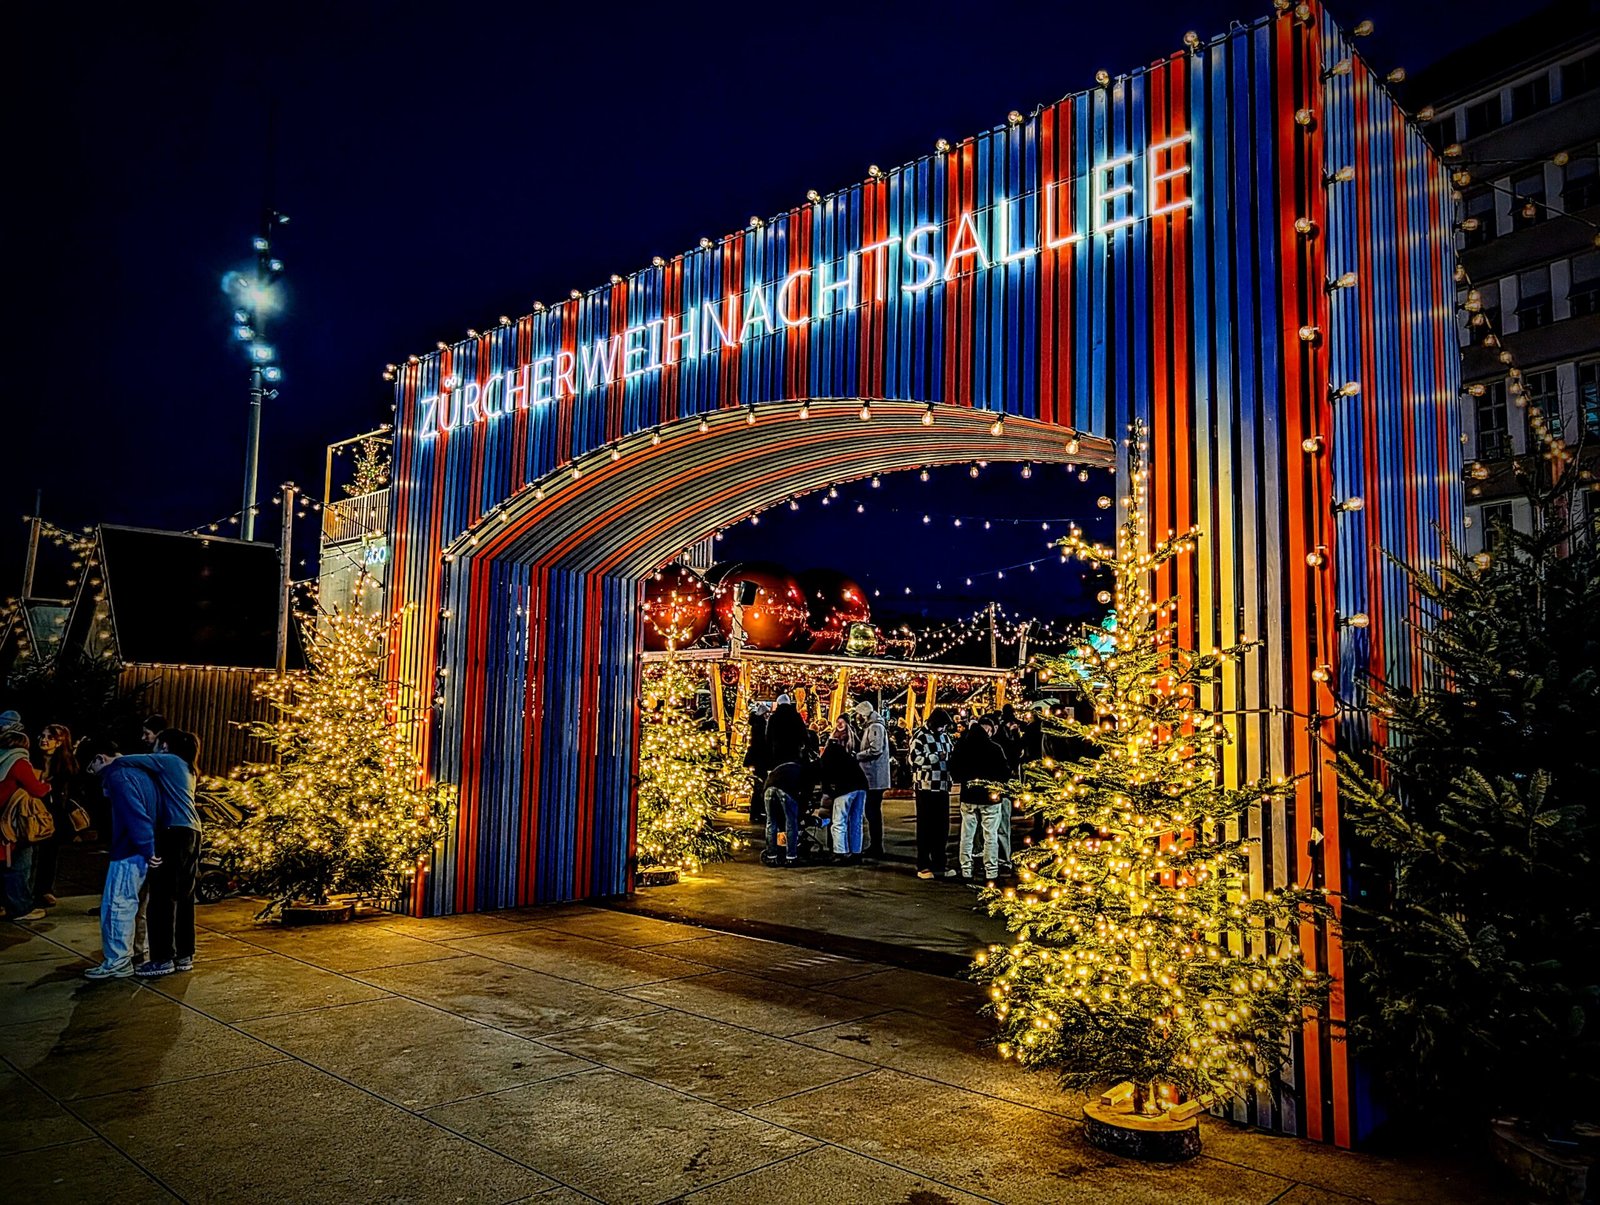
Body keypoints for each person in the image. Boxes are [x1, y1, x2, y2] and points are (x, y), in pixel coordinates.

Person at [118, 729, 201, 977]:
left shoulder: (169, 760)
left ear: (164, 745)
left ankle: (162, 957)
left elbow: (126, 760)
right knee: (184, 897)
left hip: (173, 832)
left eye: (155, 742)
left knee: (162, 898)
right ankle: (184, 954)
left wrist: (110, 759)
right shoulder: (188, 767)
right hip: (192, 832)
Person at [80, 740, 159, 979]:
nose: (94, 775)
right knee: (137, 906)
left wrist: (147, 848)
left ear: (99, 758)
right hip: (143, 848)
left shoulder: (118, 776)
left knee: (117, 905)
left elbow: (134, 815)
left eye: (91, 768)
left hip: (129, 850)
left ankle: (117, 961)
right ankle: (136, 952)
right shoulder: (139, 771)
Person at [948, 713, 1010, 887]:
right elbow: (1005, 773)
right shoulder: (995, 748)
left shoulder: (962, 746)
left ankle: (966, 870)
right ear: (988, 730)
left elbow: (954, 770)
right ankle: (991, 872)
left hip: (968, 796)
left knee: (967, 834)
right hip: (990, 798)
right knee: (990, 835)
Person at [0, 712, 52, 921]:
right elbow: (37, 789)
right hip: (10, 822)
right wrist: (48, 785)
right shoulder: (18, 762)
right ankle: (21, 908)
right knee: (19, 864)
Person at [32, 723, 80, 906]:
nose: (44, 740)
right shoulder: (31, 759)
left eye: (50, 737)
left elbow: (71, 790)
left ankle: (44, 889)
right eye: (42, 736)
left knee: (49, 853)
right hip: (33, 810)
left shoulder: (66, 764)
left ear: (60, 742)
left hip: (54, 813)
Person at [909, 708, 956, 880]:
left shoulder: (945, 737)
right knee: (926, 826)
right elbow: (914, 759)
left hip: (942, 786)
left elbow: (951, 753)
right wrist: (936, 757)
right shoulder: (920, 736)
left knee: (942, 827)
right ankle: (923, 865)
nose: (943, 729)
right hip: (925, 787)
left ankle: (939, 863)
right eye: (941, 726)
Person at [818, 718, 868, 863]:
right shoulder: (848, 752)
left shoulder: (830, 752)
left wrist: (827, 791)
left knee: (839, 821)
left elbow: (825, 772)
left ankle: (840, 852)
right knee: (856, 820)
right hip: (860, 784)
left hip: (845, 786)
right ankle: (856, 852)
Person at [850, 699, 891, 858]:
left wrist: (858, 756)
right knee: (872, 811)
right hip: (872, 775)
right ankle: (875, 845)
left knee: (872, 812)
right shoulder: (873, 726)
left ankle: (876, 846)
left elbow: (875, 749)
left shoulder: (875, 727)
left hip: (874, 776)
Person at [761, 758, 816, 867]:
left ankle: (772, 856)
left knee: (771, 822)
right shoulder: (807, 773)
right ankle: (791, 857)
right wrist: (801, 813)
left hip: (768, 789)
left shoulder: (786, 767)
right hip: (785, 791)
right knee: (791, 823)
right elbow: (805, 795)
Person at [764, 693, 812, 766]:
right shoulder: (796, 716)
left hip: (778, 750)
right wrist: (805, 745)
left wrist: (769, 750)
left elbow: (768, 736)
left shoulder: (774, 717)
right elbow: (803, 732)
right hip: (794, 750)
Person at [742, 703, 771, 823]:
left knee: (758, 785)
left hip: (756, 760)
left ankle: (756, 812)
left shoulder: (755, 724)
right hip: (760, 760)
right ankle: (756, 812)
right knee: (760, 786)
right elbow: (762, 744)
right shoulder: (761, 725)